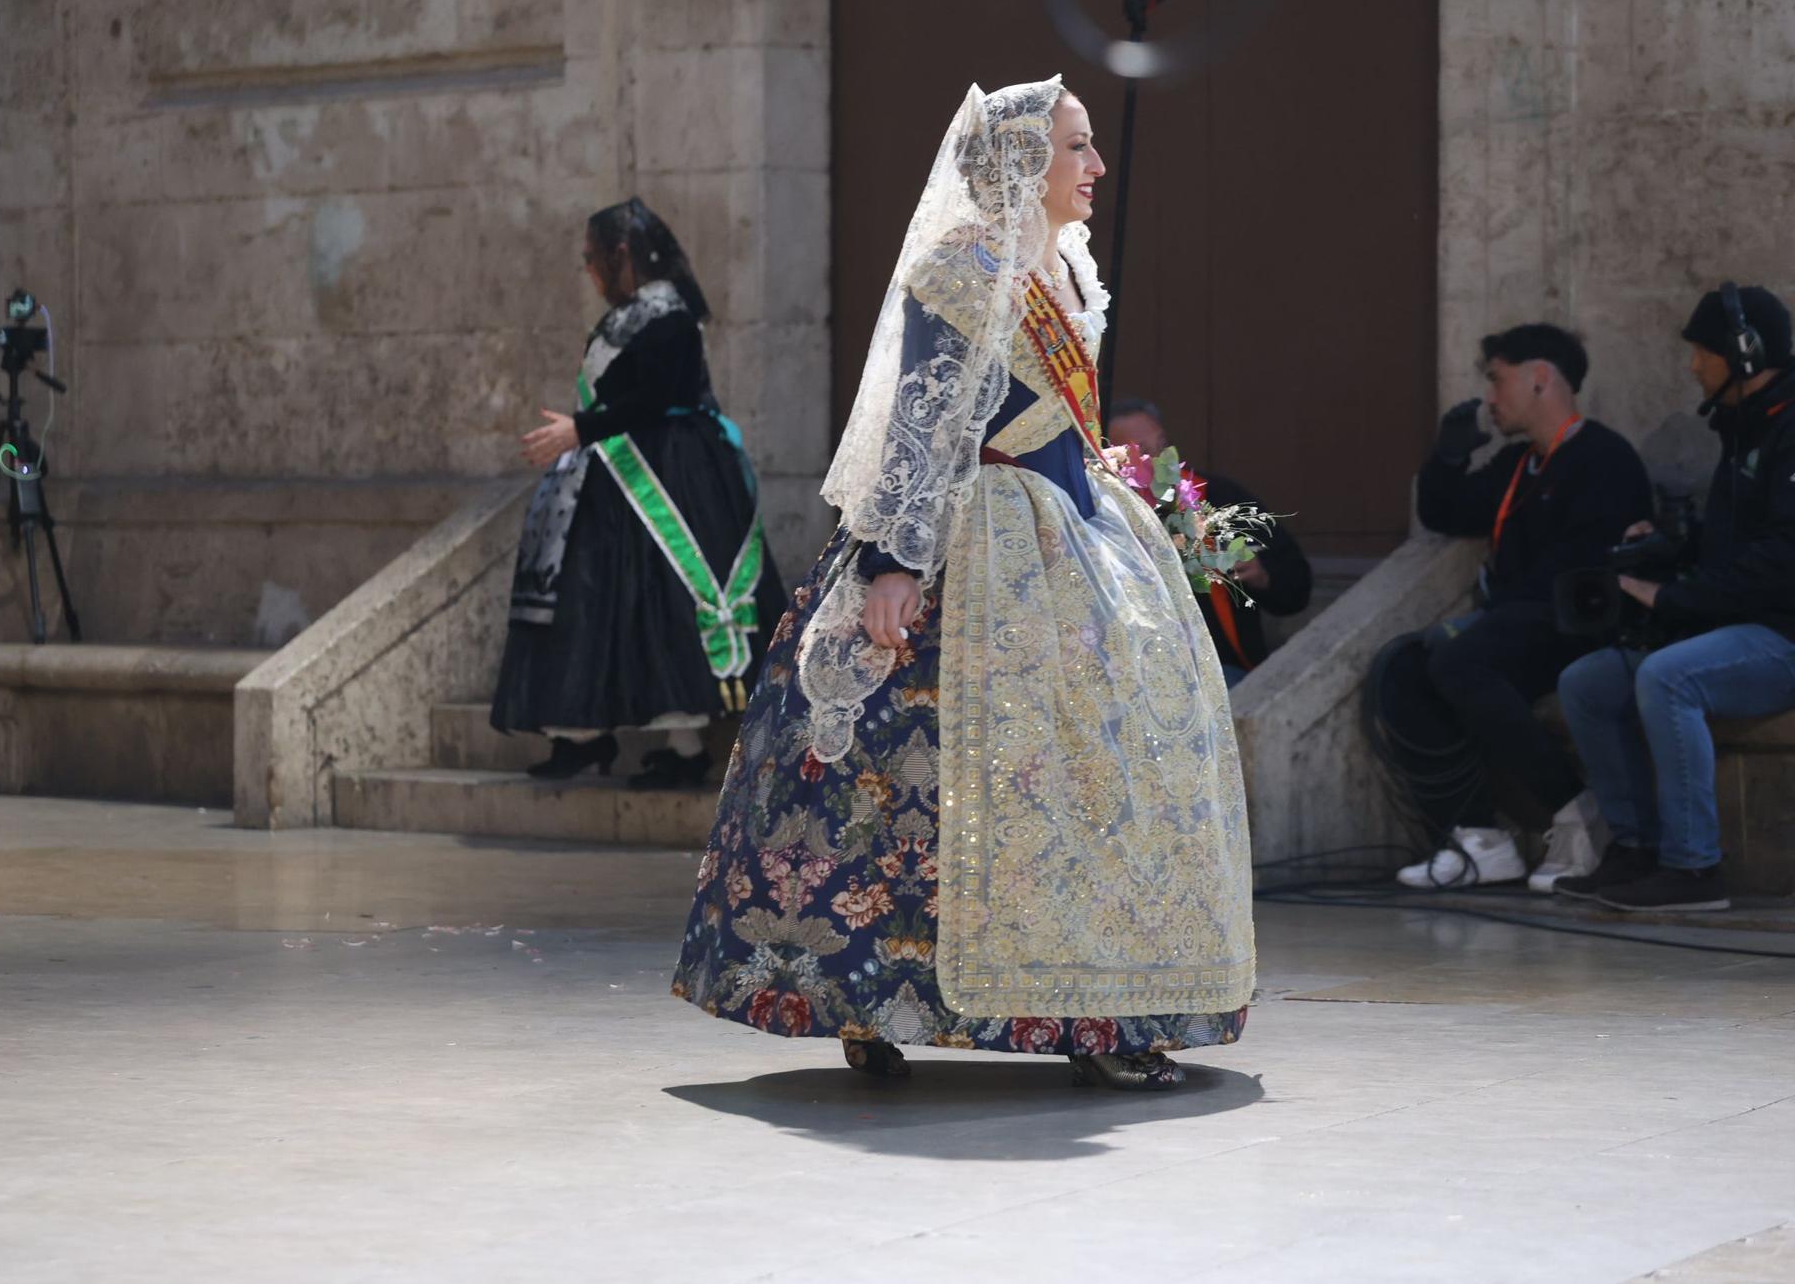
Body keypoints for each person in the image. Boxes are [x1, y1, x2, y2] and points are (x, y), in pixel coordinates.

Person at [672, 78, 1255, 1090]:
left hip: (1073, 537)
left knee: (1094, 772)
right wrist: (894, 566)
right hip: (980, 538)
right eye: (1076, 148)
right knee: (902, 777)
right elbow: (920, 420)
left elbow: (1060, 422)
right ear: (1024, 166)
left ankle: (1106, 1005)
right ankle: (873, 994)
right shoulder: (961, 267)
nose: (1094, 167)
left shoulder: (1062, 266)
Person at [492, 198, 785, 789]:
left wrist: (581, 429)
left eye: (592, 259)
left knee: (660, 607)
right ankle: (577, 733)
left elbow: (655, 397)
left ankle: (681, 744)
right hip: (615, 478)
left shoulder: (669, 316)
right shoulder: (634, 315)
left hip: (668, 479)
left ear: (620, 255)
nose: (590, 272)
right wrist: (583, 429)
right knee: (589, 605)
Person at [1374, 325, 1652, 890]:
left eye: (1497, 381)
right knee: (1400, 667)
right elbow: (1446, 512)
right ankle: (1480, 839)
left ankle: (1577, 810)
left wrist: (1488, 623)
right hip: (1515, 626)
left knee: (1459, 656)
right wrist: (1447, 458)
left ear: (1540, 377)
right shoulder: (1518, 464)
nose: (1490, 399)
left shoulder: (1603, 457)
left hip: (1579, 625)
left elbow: (1583, 573)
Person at [1554, 285, 1795, 913]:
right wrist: (1669, 546)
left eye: (1702, 352)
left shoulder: (1790, 428)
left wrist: (1672, 597)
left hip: (1782, 636)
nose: (1693, 365)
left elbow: (1783, 561)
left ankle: (1693, 869)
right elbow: (1733, 540)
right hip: (1733, 625)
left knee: (1668, 677)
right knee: (1586, 683)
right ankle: (1635, 848)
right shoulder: (1744, 427)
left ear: (1744, 353)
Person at [1107, 400, 1312, 683]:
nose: (1159, 457)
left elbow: (1296, 585)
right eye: (1142, 450)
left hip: (1224, 671)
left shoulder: (1216, 495)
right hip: (1140, 673)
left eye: (1162, 444)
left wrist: (1261, 575)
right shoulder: (1101, 513)